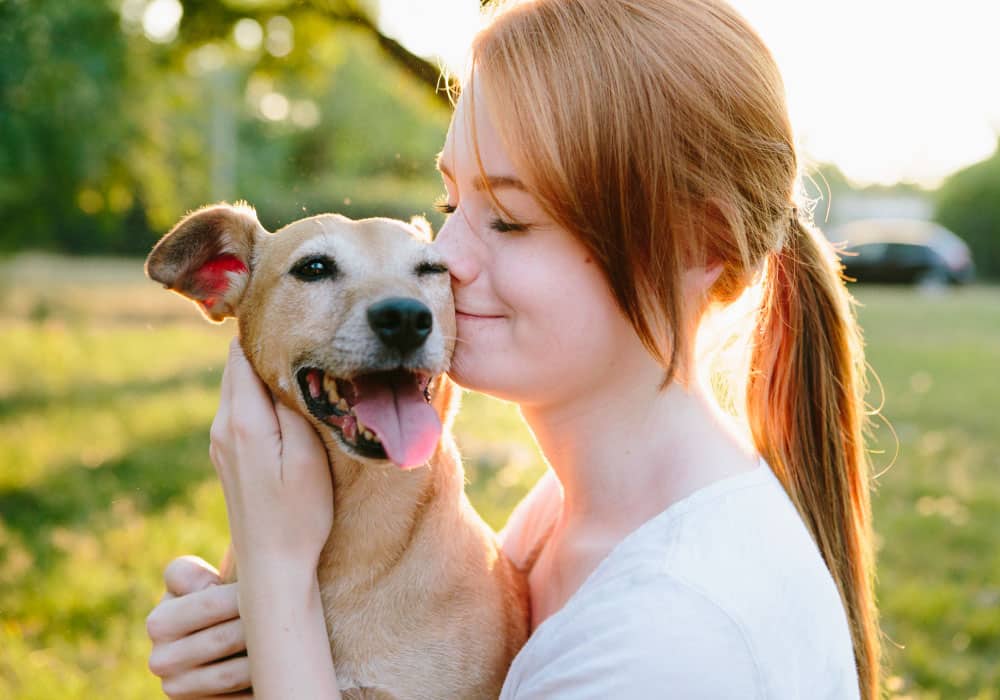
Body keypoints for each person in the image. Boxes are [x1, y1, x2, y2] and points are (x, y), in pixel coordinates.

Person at [145, 0, 883, 697]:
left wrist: (275, 579)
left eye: (509, 219)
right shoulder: (567, 510)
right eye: (450, 205)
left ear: (700, 244)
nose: (443, 259)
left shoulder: (675, 639)